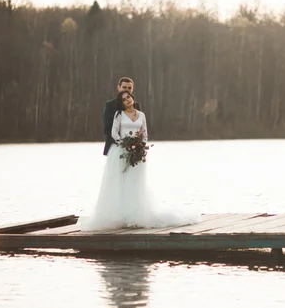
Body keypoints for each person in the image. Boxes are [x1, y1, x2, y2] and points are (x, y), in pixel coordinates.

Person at [79, 90, 200, 231]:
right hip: (121, 152)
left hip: (138, 153)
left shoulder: (141, 115)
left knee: (135, 182)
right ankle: (120, 215)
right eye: (124, 99)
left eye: (128, 97)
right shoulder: (119, 115)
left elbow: (145, 134)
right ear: (122, 103)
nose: (127, 100)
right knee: (121, 182)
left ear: (133, 98)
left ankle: (135, 214)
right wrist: (125, 144)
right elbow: (114, 132)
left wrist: (139, 145)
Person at [102, 77, 141, 156]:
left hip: (134, 148)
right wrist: (124, 141)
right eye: (124, 87)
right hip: (115, 147)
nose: (127, 90)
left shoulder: (136, 105)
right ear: (118, 87)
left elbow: (140, 126)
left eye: (129, 88)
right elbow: (107, 127)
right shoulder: (110, 105)